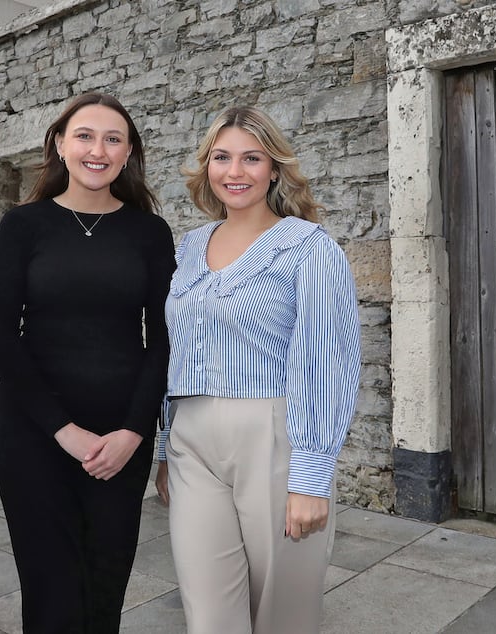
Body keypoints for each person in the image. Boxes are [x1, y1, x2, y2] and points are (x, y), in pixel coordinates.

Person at [155, 106, 361, 634]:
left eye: (252, 158)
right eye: (222, 158)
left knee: (282, 615)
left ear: (274, 168)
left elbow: (328, 361)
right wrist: (162, 448)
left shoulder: (308, 248)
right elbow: (169, 348)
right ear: (207, 168)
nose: (235, 171)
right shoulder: (188, 248)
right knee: (207, 614)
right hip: (190, 440)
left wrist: (311, 478)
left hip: (273, 437)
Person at [0, 92, 175, 633]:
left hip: (121, 438)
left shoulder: (149, 233)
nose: (98, 149)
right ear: (60, 145)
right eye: (85, 136)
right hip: (32, 435)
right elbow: (2, 338)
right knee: (52, 592)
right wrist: (63, 431)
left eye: (113, 138)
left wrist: (135, 432)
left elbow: (163, 341)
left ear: (129, 152)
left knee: (104, 586)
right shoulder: (24, 226)